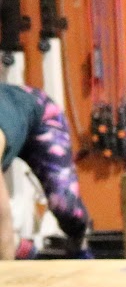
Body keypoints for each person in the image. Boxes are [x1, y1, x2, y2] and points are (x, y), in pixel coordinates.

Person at [0, 82, 90, 256]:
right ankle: (22, 247)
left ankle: (80, 243)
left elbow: (2, 227)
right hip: (11, 122)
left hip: (41, 115)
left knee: (64, 206)